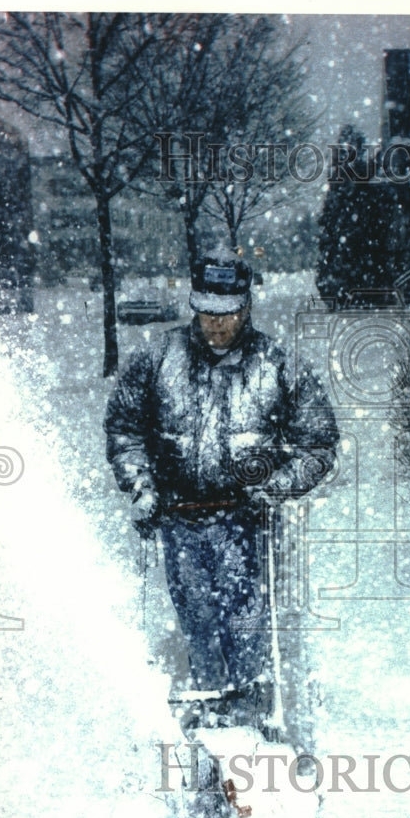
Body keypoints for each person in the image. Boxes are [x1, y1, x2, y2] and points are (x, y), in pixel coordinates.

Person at [104, 247, 339, 730]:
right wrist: (140, 484)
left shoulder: (277, 365)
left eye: (226, 313)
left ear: (246, 307)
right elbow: (124, 427)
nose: (215, 324)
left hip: (244, 520)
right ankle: (210, 706)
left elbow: (318, 442)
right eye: (206, 312)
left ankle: (252, 714)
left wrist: (274, 486)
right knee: (197, 618)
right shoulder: (158, 358)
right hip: (177, 516)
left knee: (245, 618)